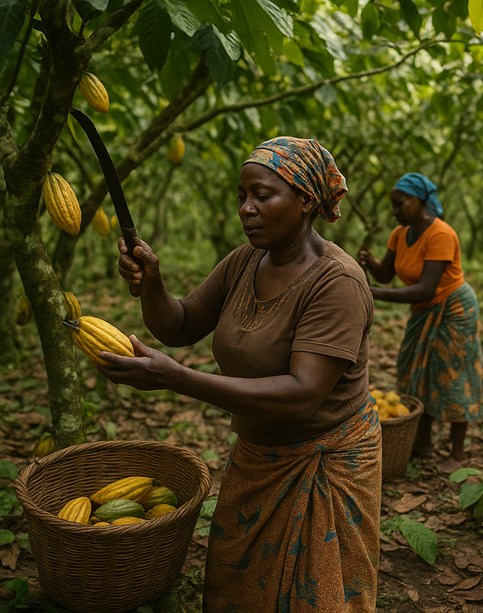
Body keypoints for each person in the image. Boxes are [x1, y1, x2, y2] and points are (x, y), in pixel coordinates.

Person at [96, 137, 380, 612]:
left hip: (323, 462)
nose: (246, 209)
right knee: (240, 584)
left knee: (316, 594)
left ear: (306, 200)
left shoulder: (338, 283)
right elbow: (180, 324)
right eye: (241, 197)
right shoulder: (244, 260)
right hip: (257, 455)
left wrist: (176, 379)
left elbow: (302, 394)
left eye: (262, 196)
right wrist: (153, 282)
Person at [357, 172, 483, 470]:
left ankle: (457, 453)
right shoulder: (399, 234)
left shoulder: (441, 234)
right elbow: (387, 274)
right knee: (415, 370)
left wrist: (369, 292)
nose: (395, 210)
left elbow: (426, 287)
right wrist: (371, 264)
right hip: (423, 310)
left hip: (453, 307)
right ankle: (422, 444)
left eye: (400, 204)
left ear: (419, 201)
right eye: (393, 205)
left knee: (451, 373)